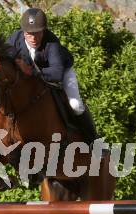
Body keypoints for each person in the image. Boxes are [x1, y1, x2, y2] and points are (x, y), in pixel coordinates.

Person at [7, 8, 99, 144]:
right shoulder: (15, 39)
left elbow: (56, 73)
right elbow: (2, 58)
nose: (33, 38)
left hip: (61, 73)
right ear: (23, 32)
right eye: (29, 34)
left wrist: (31, 73)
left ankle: (95, 141)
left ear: (43, 31)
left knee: (75, 105)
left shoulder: (51, 42)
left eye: (37, 33)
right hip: (33, 79)